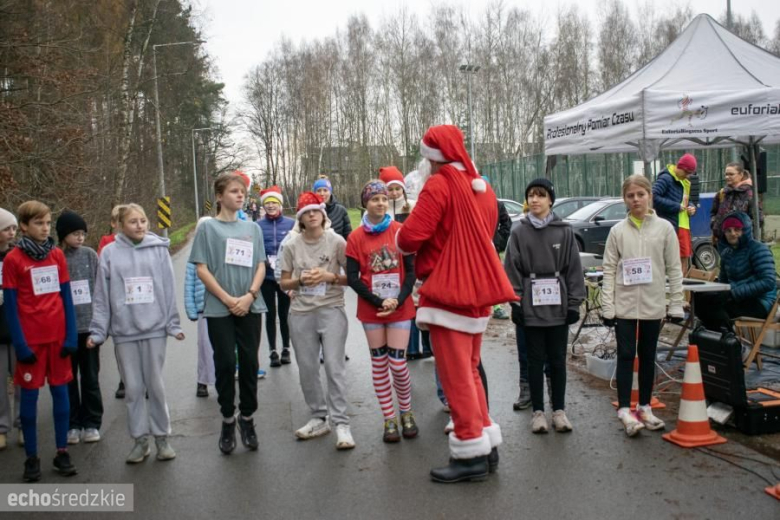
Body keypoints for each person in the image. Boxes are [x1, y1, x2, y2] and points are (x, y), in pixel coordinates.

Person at [397, 124, 516, 483]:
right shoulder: (482, 187)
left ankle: (469, 452)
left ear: (433, 157)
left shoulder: (440, 184)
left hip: (448, 288)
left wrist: (402, 240)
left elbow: (412, 236)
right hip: (478, 289)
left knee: (456, 376)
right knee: (472, 370)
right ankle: (486, 445)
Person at [88, 204, 183, 463]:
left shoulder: (159, 251)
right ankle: (140, 441)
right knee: (133, 388)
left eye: (143, 220)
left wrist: (172, 324)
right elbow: (101, 295)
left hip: (154, 328)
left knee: (155, 385)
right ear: (119, 225)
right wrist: (98, 331)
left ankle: (162, 438)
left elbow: (168, 288)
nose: (139, 225)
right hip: (124, 331)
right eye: (133, 222)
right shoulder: (108, 253)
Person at [189, 173, 267, 455]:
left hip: (250, 306)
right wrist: (227, 299)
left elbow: (260, 265)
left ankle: (247, 419)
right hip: (219, 308)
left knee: (248, 363)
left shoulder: (253, 229)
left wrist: (249, 296)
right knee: (223, 363)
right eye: (234, 191)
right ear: (219, 196)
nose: (240, 195)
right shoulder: (208, 229)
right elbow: (201, 268)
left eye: (242, 192)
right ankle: (227, 419)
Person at [600, 175, 684, 437]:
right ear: (624, 199)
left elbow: (674, 268)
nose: (635, 200)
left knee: (649, 357)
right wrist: (607, 307)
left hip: (653, 304)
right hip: (624, 306)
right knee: (626, 355)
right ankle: (625, 409)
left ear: (650, 196)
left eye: (640, 194)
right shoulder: (617, 231)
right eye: (630, 196)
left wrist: (676, 304)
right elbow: (609, 269)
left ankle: (645, 406)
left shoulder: (665, 229)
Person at [4, 201, 78, 481]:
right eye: (39, 223)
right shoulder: (14, 260)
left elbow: (66, 298)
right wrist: (20, 345)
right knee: (30, 403)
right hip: (30, 344)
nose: (45, 228)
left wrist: (71, 336)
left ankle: (61, 452)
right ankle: (31, 457)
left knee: (61, 397)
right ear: (24, 226)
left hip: (58, 341)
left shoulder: (57, 255)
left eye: (48, 223)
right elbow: (10, 307)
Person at [504, 178, 585, 434]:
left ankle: (559, 411)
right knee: (534, 360)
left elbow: (574, 268)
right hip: (530, 303)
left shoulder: (564, 231)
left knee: (558, 360)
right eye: (531, 195)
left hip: (558, 304)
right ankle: (538, 412)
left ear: (551, 199)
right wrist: (515, 302)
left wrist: (574, 302)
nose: (535, 200)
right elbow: (512, 268)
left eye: (540, 195)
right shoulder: (519, 232)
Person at [280, 192, 354, 450]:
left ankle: (342, 423)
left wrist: (328, 277)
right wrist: (300, 281)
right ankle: (318, 417)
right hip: (301, 312)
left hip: (331, 307)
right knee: (308, 368)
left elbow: (352, 277)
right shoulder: (291, 244)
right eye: (306, 212)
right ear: (300, 219)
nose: (312, 215)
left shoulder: (337, 242)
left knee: (334, 367)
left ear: (323, 215)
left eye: (316, 211)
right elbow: (283, 281)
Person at [346, 180, 418, 443]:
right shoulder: (355, 237)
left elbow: (411, 272)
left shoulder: (401, 231)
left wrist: (397, 300)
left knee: (398, 364)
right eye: (374, 199)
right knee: (379, 363)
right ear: (365, 202)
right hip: (372, 310)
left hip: (399, 307)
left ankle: (407, 412)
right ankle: (389, 418)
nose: (380, 203)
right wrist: (379, 302)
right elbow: (353, 278)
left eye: (384, 199)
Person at [56, 211, 102, 445]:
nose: (81, 237)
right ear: (64, 235)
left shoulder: (90, 255)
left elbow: (99, 289)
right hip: (65, 331)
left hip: (89, 327)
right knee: (68, 379)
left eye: (83, 233)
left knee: (91, 377)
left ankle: (92, 422)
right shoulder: (56, 258)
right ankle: (72, 424)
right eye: (75, 233)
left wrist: (100, 324)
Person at [695, 212, 777, 331]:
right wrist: (714, 292)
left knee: (712, 307)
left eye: (737, 229)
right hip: (737, 299)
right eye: (728, 230)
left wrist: (733, 293)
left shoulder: (758, 249)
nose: (732, 233)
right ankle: (722, 336)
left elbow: (768, 281)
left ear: (745, 230)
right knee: (699, 299)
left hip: (760, 302)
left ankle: (728, 337)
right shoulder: (727, 253)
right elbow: (723, 282)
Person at [257, 186, 295, 368]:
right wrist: (262, 260)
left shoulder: (290, 224)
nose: (271, 205)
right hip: (265, 277)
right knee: (270, 314)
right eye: (268, 203)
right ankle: (273, 351)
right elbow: (255, 249)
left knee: (285, 314)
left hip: (285, 277)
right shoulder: (257, 226)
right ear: (264, 206)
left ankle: (286, 348)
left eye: (274, 202)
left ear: (280, 205)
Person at [97, 204, 127, 400]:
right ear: (114, 223)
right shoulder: (106, 243)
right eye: (119, 221)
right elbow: (101, 272)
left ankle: (147, 380)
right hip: (118, 302)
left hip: (139, 301)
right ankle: (124, 379)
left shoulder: (138, 242)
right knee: (122, 345)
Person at [184, 217, 216, 398]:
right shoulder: (193, 257)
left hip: (222, 305)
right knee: (205, 346)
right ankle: (202, 381)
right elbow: (188, 284)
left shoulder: (221, 250)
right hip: (203, 308)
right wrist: (191, 309)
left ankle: (223, 378)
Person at [652, 153, 697, 273]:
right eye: (687, 173)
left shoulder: (684, 181)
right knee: (674, 261)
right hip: (672, 226)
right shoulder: (666, 178)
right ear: (681, 167)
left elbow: (687, 200)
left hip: (684, 226)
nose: (687, 176)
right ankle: (675, 288)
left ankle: (681, 288)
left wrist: (691, 207)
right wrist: (676, 207)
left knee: (684, 260)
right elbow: (653, 196)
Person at [0, 207, 21, 450]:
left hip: (18, 329)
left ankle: (23, 424)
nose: (12, 233)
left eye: (14, 228)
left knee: (22, 381)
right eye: (7, 229)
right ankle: (2, 428)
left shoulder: (16, 257)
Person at [710, 162, 763, 246]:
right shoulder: (722, 193)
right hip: (722, 243)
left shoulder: (750, 195)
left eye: (731, 174)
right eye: (726, 174)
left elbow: (758, 220)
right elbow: (713, 213)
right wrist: (715, 227)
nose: (727, 177)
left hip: (743, 244)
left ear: (741, 175)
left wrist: (740, 234)